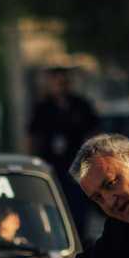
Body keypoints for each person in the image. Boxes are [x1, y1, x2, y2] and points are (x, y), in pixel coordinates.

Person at [28, 66, 99, 238]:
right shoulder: (43, 107)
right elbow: (33, 136)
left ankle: (80, 239)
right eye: (56, 81)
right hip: (52, 165)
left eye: (63, 81)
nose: (60, 85)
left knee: (78, 208)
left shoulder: (81, 105)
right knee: (55, 205)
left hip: (76, 165)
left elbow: (94, 132)